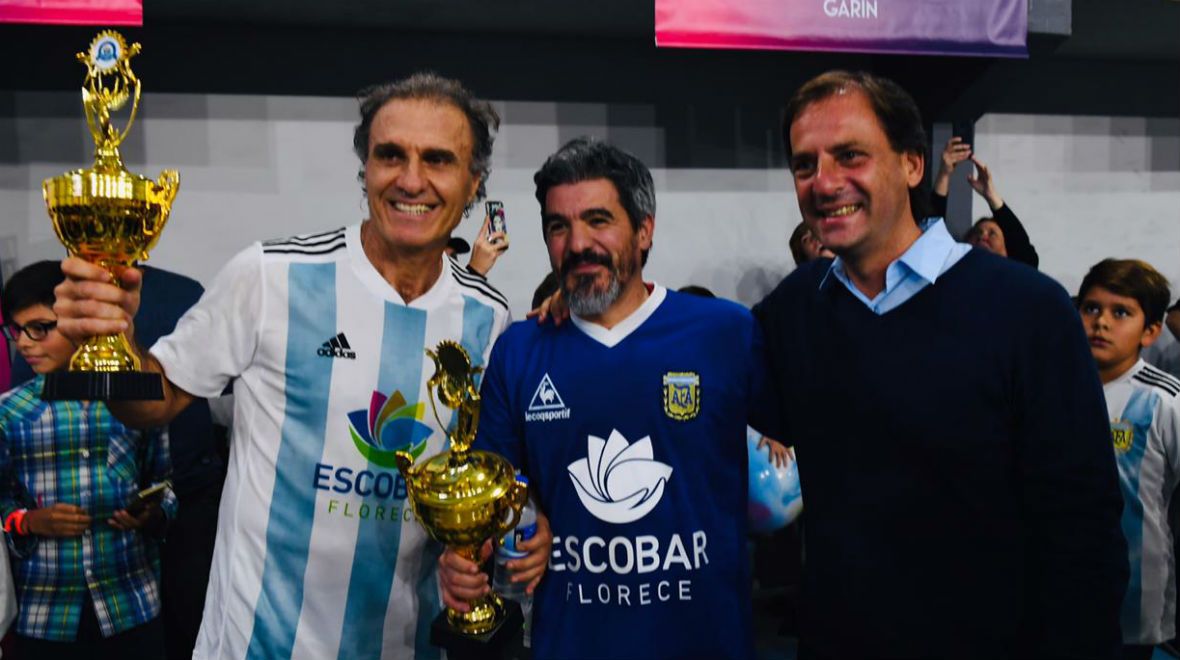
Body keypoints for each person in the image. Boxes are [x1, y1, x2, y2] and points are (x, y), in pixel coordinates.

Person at [51, 73, 533, 659]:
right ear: (365, 169)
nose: (411, 180)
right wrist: (113, 344)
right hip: (260, 645)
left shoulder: (488, 316)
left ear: (473, 182)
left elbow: (479, 477)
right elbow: (155, 404)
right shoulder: (270, 276)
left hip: (407, 647)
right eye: (390, 155)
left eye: (437, 159)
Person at [754, 70, 1126, 658]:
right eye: (805, 164)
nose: (824, 182)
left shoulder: (1027, 309)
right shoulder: (795, 308)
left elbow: (1082, 528)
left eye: (850, 155)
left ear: (911, 165)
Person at [438, 138, 776, 659]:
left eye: (598, 220)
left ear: (644, 230)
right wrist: (474, 550)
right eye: (558, 226)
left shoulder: (725, 332)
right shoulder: (520, 350)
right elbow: (496, 492)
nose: (577, 244)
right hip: (572, 643)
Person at [7, 264, 224, 660]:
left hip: (130, 603)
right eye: (16, 331)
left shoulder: (135, 402)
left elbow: (166, 485)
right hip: (45, 610)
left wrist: (152, 513)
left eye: (39, 328)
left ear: (81, 321)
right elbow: (3, 507)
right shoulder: (10, 413)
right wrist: (29, 522)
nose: (23, 343)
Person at [1077, 259, 1180, 660]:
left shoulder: (1164, 401)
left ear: (1150, 331)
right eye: (1091, 308)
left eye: (1120, 312)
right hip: (1057, 588)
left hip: (1134, 600)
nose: (1101, 322)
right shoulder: (1049, 387)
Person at [932, 136, 1039, 267]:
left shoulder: (1016, 273)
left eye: (992, 233)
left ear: (1008, 249)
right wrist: (944, 174)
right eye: (977, 232)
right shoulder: (953, 270)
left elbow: (1026, 253)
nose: (982, 236)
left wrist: (991, 195)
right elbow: (929, 240)